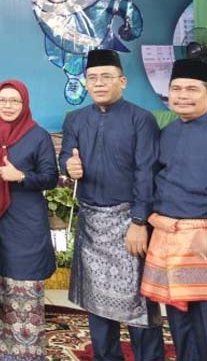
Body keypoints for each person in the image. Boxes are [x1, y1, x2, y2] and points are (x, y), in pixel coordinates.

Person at [59, 49, 164, 361]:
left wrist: (139, 221)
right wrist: (69, 166)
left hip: (129, 222)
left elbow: (147, 171)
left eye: (106, 77)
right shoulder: (75, 119)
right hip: (91, 223)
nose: (99, 83)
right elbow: (66, 156)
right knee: (97, 306)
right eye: (92, 78)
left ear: (123, 81)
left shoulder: (141, 119)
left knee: (139, 305)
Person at [0, 80, 57, 361]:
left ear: (24, 104)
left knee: (24, 289)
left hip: (26, 225)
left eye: (15, 100)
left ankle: (26, 354)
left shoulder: (37, 136)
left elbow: (50, 177)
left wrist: (21, 176)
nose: (8, 106)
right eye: (3, 100)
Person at [141, 58, 207, 360]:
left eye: (192, 89)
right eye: (176, 89)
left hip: (201, 237)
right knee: (180, 322)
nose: (182, 96)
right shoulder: (168, 132)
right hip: (169, 236)